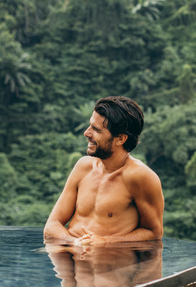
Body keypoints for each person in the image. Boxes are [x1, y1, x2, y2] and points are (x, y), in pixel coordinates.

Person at [43, 96, 164, 245]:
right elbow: (51, 226)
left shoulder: (141, 177)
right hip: (70, 259)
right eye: (90, 126)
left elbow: (153, 232)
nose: (86, 133)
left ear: (120, 139)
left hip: (108, 264)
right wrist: (76, 243)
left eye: (96, 130)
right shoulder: (83, 167)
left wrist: (106, 242)